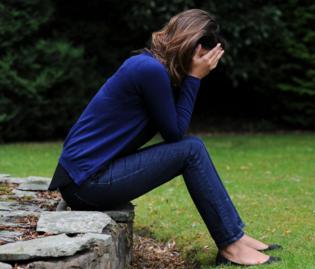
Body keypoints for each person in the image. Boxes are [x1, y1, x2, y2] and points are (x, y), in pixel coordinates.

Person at [47, 9, 282, 266]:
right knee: (191, 150)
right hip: (86, 184)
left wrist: (189, 77)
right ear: (195, 48)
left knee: (192, 148)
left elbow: (172, 128)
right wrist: (194, 77)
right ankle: (231, 245)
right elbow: (174, 134)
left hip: (87, 178)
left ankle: (235, 237)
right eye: (206, 54)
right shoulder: (149, 70)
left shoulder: (151, 67)